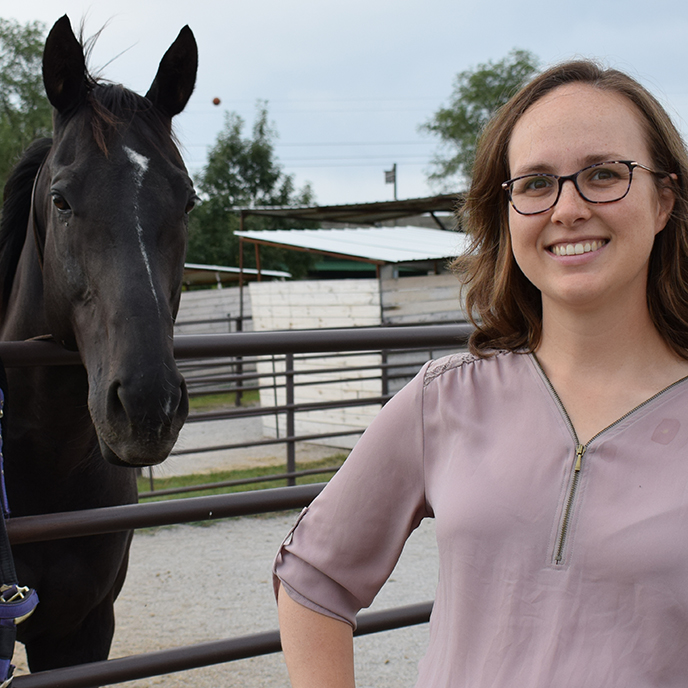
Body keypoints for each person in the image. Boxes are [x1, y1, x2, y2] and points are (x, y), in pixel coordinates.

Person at [273, 60, 688, 687]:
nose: (568, 207)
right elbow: (313, 579)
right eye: (536, 183)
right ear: (508, 210)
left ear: (664, 201)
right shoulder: (445, 399)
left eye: (604, 174)